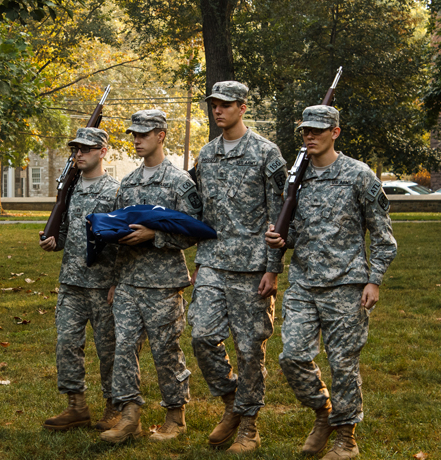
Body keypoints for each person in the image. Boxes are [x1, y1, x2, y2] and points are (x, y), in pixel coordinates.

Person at [265, 105, 397, 459]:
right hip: (305, 283)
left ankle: (345, 437)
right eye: (306, 130)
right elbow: (292, 231)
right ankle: (324, 412)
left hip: (347, 285)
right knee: (292, 356)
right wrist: (280, 240)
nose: (310, 136)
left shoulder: (358, 175)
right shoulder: (298, 178)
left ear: (335, 132)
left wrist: (375, 280)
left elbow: (384, 238)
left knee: (343, 364)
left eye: (319, 130)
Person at [188, 81, 287, 454]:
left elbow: (280, 214)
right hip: (213, 260)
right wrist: (199, 261)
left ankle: (248, 425)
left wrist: (273, 269)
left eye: (226, 105)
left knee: (249, 348)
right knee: (201, 335)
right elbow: (203, 212)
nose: (218, 111)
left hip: (252, 265)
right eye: (214, 105)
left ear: (243, 107)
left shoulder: (266, 153)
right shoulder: (207, 153)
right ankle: (231, 400)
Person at [100, 109, 202, 444]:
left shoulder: (179, 182)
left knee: (166, 351)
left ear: (161, 135)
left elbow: (192, 233)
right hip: (129, 280)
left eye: (144, 134)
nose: (137, 140)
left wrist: (155, 236)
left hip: (163, 282)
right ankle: (129, 417)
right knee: (124, 348)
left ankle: (176, 417)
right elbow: (117, 232)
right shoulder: (128, 183)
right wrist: (115, 279)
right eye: (134, 134)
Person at [38, 127, 121, 432]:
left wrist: (118, 281)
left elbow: (123, 242)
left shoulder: (116, 192)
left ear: (103, 152)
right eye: (75, 149)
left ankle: (114, 406)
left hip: (103, 285)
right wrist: (52, 242)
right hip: (71, 283)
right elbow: (63, 233)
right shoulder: (70, 190)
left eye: (86, 149)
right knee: (66, 343)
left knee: (108, 349)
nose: (79, 154)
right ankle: (76, 406)